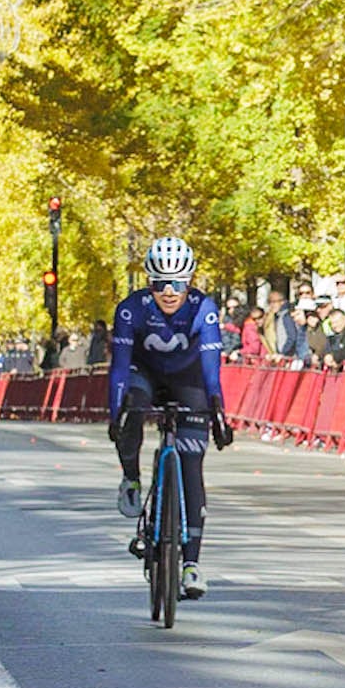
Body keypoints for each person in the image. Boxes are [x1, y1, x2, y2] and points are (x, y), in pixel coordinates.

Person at [107, 237, 233, 600]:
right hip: (142, 373)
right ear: (149, 282)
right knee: (131, 406)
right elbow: (118, 369)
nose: (169, 292)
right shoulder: (131, 309)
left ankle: (191, 564)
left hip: (188, 379)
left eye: (177, 283)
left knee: (192, 463)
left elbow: (212, 368)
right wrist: (117, 415)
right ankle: (131, 478)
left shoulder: (203, 308)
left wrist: (218, 409)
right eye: (161, 283)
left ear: (189, 280)